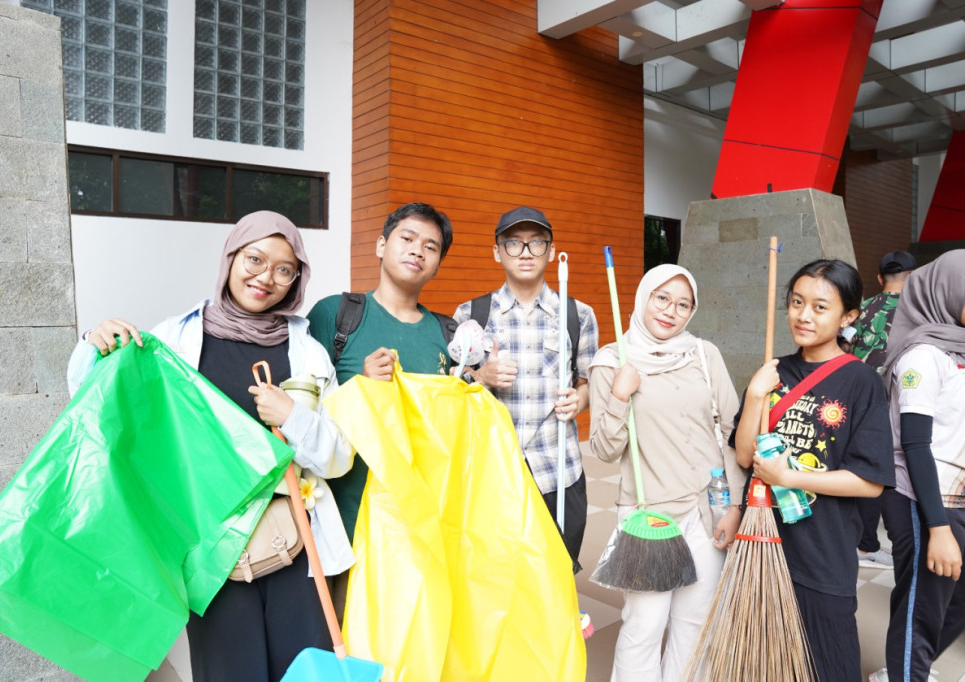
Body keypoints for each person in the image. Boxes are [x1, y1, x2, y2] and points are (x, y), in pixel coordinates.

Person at [66, 211, 354, 682]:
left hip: (298, 546)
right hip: (211, 552)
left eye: (285, 269)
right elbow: (98, 397)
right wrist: (92, 343)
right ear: (230, 258)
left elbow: (338, 458)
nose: (266, 278)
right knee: (228, 673)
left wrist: (293, 419)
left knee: (304, 674)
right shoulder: (176, 338)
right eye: (255, 259)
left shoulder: (308, 350)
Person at [734, 259, 895, 682]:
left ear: (849, 316)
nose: (804, 315)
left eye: (820, 307)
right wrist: (754, 396)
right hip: (762, 543)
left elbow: (870, 482)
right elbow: (743, 456)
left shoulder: (861, 382)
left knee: (830, 663)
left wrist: (791, 478)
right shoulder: (774, 373)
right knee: (765, 661)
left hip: (822, 552)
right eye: (797, 302)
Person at [587, 264, 745, 682]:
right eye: (662, 298)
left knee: (696, 623)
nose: (671, 311)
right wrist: (621, 395)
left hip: (707, 508)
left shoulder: (703, 354)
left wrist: (734, 504)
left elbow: (730, 430)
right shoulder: (611, 361)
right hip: (649, 515)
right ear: (643, 297)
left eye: (683, 304)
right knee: (644, 626)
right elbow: (604, 450)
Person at [306, 201, 453, 612]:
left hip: (418, 524)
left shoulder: (447, 334)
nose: (417, 250)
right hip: (343, 521)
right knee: (342, 640)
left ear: (438, 264)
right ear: (381, 245)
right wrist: (361, 387)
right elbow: (303, 410)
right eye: (407, 238)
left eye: (431, 246)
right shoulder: (336, 315)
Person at [873, 249, 965, 682]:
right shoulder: (923, 356)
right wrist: (939, 528)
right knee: (923, 606)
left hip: (964, 497)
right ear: (948, 291)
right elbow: (914, 443)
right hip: (922, 497)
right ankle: (905, 671)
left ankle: (906, 665)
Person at [454, 206, 598, 571]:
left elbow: (589, 384)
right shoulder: (470, 314)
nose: (526, 253)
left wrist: (578, 400)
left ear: (551, 252)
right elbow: (451, 394)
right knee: (497, 579)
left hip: (558, 469)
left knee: (556, 576)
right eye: (514, 244)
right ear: (497, 252)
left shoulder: (578, 314)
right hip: (492, 471)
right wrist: (481, 376)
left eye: (536, 244)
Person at [853, 249, 917, 570]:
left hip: (860, 399)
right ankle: (870, 545)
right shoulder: (917, 314)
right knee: (888, 472)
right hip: (899, 404)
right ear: (913, 278)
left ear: (880, 279)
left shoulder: (861, 309)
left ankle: (865, 544)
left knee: (867, 468)